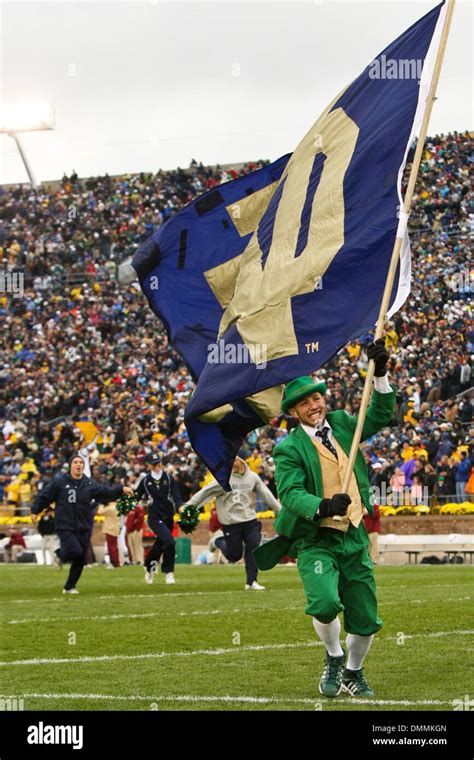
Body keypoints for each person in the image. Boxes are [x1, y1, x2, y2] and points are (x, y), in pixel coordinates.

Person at [254, 339, 395, 698]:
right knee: (325, 602)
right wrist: (323, 505)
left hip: (354, 534)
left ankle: (353, 672)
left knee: (365, 619)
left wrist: (379, 376)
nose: (313, 405)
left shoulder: (345, 423)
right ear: (294, 412)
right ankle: (334, 656)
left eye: (316, 398)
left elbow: (379, 415)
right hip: (316, 537)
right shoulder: (288, 448)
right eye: (304, 402)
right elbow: (290, 493)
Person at [31, 454, 133, 593]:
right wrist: (35, 510)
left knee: (80, 558)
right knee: (75, 550)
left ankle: (69, 586)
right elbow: (45, 495)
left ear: (84, 466)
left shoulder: (89, 484)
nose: (78, 465)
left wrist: (121, 489)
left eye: (81, 463)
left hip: (84, 525)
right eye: (75, 462)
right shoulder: (60, 482)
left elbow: (105, 493)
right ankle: (59, 554)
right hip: (65, 524)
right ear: (70, 465)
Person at [185, 455, 281, 590]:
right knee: (234, 555)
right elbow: (205, 493)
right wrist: (189, 505)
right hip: (231, 523)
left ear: (241, 460)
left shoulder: (252, 477)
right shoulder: (223, 479)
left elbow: (266, 494)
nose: (233, 464)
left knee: (253, 548)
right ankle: (217, 540)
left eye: (235, 460)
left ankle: (251, 582)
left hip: (250, 520)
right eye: (230, 461)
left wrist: (279, 509)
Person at [134, 452, 182, 585]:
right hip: (154, 517)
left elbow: (177, 496)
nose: (157, 466)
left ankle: (149, 567)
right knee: (170, 542)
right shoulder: (145, 481)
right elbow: (135, 497)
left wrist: (180, 507)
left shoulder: (169, 477)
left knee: (161, 543)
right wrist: (125, 503)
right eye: (154, 464)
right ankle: (169, 572)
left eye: (158, 463)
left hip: (168, 516)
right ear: (148, 465)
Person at [97, 502, 121, 567]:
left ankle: (114, 563)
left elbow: (99, 512)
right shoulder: (117, 506)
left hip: (110, 529)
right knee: (115, 547)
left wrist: (101, 504)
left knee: (111, 547)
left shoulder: (110, 508)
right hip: (115, 528)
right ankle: (117, 563)